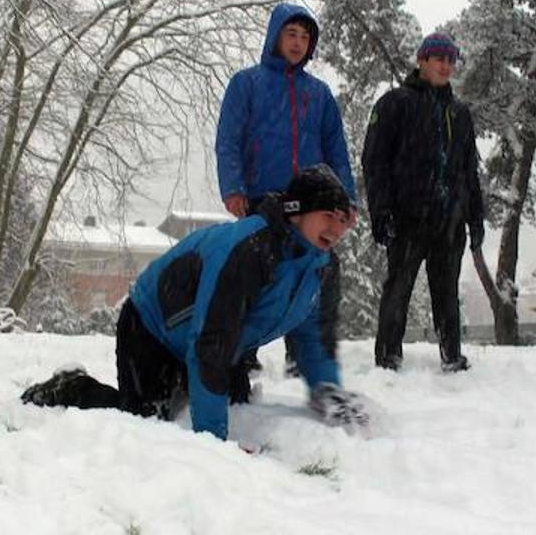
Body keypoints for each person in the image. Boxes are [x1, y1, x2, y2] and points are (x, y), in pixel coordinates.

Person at [21, 165, 371, 442]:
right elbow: (211, 344)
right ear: (297, 211)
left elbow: (314, 336)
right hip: (152, 325)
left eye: (344, 220)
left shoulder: (322, 266)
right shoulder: (249, 250)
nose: (337, 229)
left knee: (236, 407)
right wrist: (212, 448)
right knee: (146, 422)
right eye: (329, 215)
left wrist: (326, 389)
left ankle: (185, 385)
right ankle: (72, 387)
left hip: (220, 339)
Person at [214, 2, 358, 376]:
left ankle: (305, 356)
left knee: (320, 271)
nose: (298, 43)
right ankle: (242, 351)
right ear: (275, 36)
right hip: (262, 198)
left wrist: (345, 198)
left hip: (311, 201)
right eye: (291, 34)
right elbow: (228, 139)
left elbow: (336, 149)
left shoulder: (320, 94)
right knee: (255, 272)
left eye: (305, 36)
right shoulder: (247, 83)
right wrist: (233, 187)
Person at [362, 32, 485, 373]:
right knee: (398, 287)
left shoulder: (460, 114)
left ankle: (452, 356)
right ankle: (388, 359)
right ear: (422, 60)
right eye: (438, 58)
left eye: (450, 60)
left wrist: (475, 219)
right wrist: (381, 212)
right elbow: (375, 161)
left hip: (449, 220)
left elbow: (469, 170)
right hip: (407, 217)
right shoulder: (395, 104)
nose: (445, 65)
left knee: (446, 292)